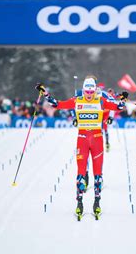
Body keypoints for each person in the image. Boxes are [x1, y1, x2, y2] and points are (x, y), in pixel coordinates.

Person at [36, 77, 128, 220]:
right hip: (83, 140)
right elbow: (57, 104)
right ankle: (79, 204)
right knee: (80, 173)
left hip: (97, 139)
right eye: (87, 91)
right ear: (83, 90)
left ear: (95, 90)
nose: (89, 94)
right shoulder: (77, 100)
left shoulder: (101, 100)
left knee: (98, 175)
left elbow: (118, 107)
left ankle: (97, 203)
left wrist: (123, 99)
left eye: (91, 91)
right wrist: (45, 94)